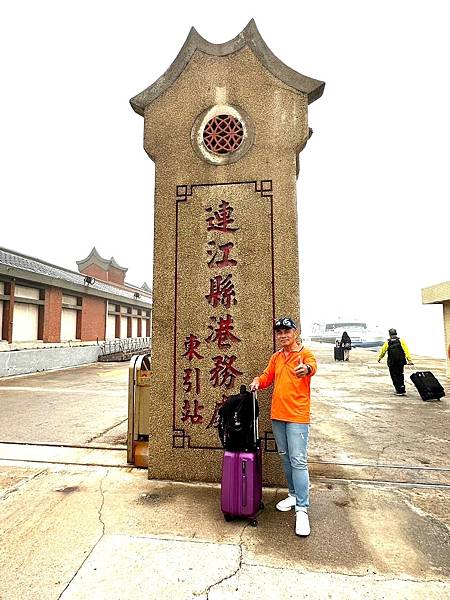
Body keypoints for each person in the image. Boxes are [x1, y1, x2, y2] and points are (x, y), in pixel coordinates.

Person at [250, 316, 317, 537]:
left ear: (295, 332)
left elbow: (312, 367)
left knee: (298, 460)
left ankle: (302, 508)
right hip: (278, 414)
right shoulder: (277, 357)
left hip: (297, 416)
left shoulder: (305, 353)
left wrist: (305, 370)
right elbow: (268, 376)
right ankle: (293, 494)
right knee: (285, 457)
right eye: (279, 332)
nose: (283, 335)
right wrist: (258, 381)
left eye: (286, 331)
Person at [377, 328, 413, 395]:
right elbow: (406, 351)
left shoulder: (387, 342)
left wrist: (380, 358)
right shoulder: (401, 341)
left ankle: (398, 390)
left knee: (394, 376)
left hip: (392, 362)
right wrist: (409, 360)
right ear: (396, 333)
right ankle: (402, 389)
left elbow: (383, 351)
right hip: (400, 362)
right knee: (400, 374)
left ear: (389, 334)